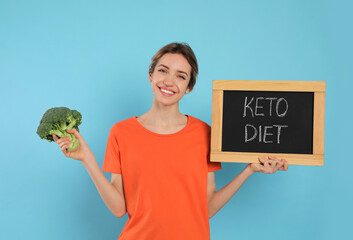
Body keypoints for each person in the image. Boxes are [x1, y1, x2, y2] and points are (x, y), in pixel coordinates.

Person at [53, 42, 288, 240]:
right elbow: (118, 208)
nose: (168, 81)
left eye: (181, 76)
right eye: (163, 71)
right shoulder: (121, 132)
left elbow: (206, 208)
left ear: (189, 87)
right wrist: (87, 158)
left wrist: (249, 170)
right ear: (150, 75)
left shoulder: (205, 134)